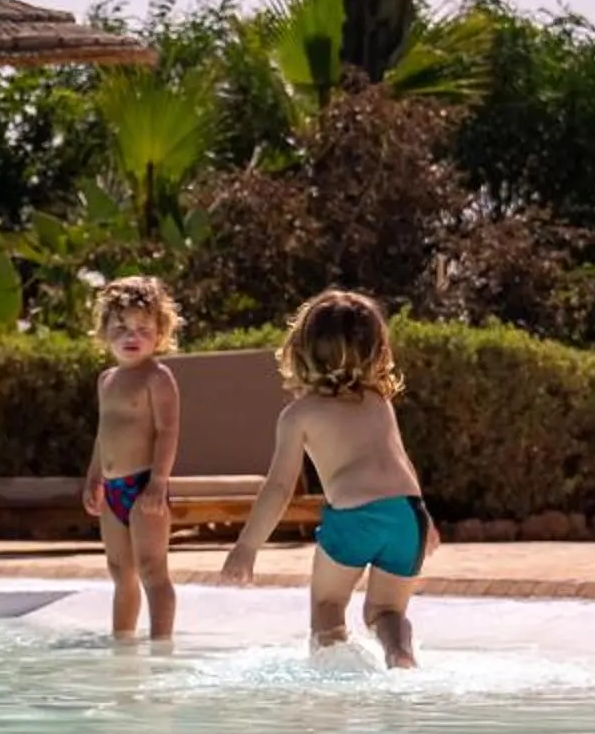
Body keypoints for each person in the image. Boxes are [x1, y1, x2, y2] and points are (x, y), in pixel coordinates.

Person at [219, 290, 429, 668]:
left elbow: (279, 488)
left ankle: (333, 681)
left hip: (354, 517)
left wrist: (247, 546)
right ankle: (400, 653)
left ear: (300, 350)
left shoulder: (299, 415)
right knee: (385, 610)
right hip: (407, 515)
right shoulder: (378, 401)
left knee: (328, 604)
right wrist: (426, 521)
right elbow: (401, 463)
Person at [82, 276, 183, 644]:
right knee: (120, 571)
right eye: (120, 327)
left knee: (152, 569)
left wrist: (158, 482)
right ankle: (122, 643)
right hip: (112, 490)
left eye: (143, 328)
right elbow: (102, 433)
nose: (131, 335)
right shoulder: (106, 380)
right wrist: (94, 477)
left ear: (160, 333)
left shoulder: (157, 377)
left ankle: (161, 645)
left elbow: (168, 432)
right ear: (104, 331)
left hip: (143, 487)